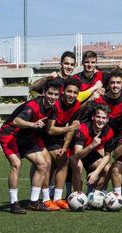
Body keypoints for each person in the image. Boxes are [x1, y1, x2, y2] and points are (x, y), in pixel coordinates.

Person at [0, 80, 61, 214]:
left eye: (56, 94)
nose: (52, 97)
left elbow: (49, 129)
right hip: (10, 135)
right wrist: (33, 125)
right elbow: (17, 121)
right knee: (16, 164)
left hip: (26, 137)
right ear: (44, 93)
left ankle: (33, 202)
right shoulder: (33, 105)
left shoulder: (53, 108)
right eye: (50, 93)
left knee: (43, 164)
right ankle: (14, 203)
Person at [41, 79, 82, 210]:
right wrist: (68, 129)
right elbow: (49, 129)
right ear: (63, 91)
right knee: (46, 164)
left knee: (63, 160)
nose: (72, 95)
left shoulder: (77, 105)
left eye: (75, 92)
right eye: (69, 91)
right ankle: (46, 199)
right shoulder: (55, 103)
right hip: (41, 135)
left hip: (58, 137)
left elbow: (73, 127)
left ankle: (57, 199)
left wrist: (65, 147)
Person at [70, 105, 114, 192]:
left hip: (91, 155)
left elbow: (107, 156)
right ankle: (78, 195)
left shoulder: (109, 131)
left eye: (103, 118)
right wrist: (92, 145)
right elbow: (77, 154)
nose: (100, 120)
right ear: (93, 117)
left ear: (107, 119)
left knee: (108, 169)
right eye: (98, 117)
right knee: (78, 166)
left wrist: (96, 172)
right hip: (75, 154)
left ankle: (94, 194)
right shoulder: (83, 128)